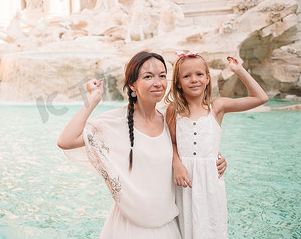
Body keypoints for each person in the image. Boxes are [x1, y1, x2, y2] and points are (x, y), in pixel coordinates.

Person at [57, 51, 227, 238]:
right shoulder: (116, 122)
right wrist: (93, 99)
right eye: (148, 76)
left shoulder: (168, 121)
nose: (158, 83)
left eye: (162, 76)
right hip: (129, 228)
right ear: (132, 84)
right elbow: (66, 141)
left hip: (166, 227)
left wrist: (216, 160)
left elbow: (194, 150)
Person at [165, 52, 269, 238]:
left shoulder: (217, 107)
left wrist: (239, 70)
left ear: (207, 78)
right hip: (184, 180)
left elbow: (261, 98)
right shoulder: (174, 110)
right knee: (185, 228)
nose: (194, 79)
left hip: (211, 181)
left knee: (211, 227)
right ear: (178, 83)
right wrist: (177, 164)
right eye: (186, 76)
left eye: (199, 74)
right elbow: (171, 142)